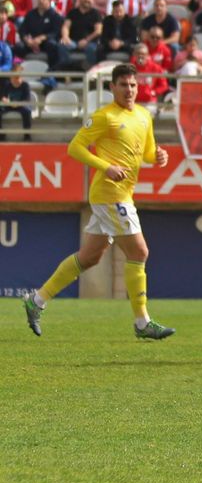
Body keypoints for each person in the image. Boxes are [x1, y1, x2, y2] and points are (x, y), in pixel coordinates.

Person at [22, 64, 175, 341]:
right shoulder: (104, 117)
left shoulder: (143, 115)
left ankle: (37, 300)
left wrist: (158, 156)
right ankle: (142, 323)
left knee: (90, 257)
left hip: (123, 193)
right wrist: (105, 166)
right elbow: (75, 147)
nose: (129, 90)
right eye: (123, 85)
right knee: (139, 252)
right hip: (109, 193)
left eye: (133, 85)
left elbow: (149, 152)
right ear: (112, 88)